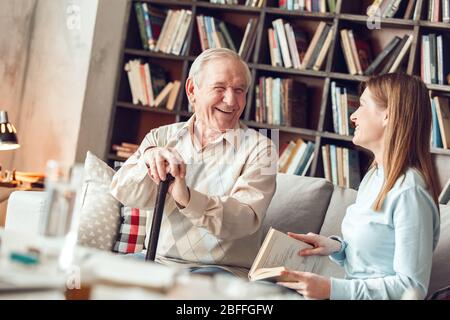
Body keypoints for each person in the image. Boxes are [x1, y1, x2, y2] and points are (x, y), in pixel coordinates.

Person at [110, 48, 277, 277]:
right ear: (192, 90)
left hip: (220, 269)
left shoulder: (264, 148)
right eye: (219, 88)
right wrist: (147, 160)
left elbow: (245, 219)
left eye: (239, 91)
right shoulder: (160, 137)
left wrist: (186, 198)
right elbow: (123, 191)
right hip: (156, 261)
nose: (231, 101)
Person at [278, 73, 441, 300]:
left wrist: (331, 289)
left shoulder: (409, 192)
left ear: (388, 115)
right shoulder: (375, 176)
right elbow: (376, 258)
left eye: (362, 105)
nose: (353, 116)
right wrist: (335, 247)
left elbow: (411, 286)